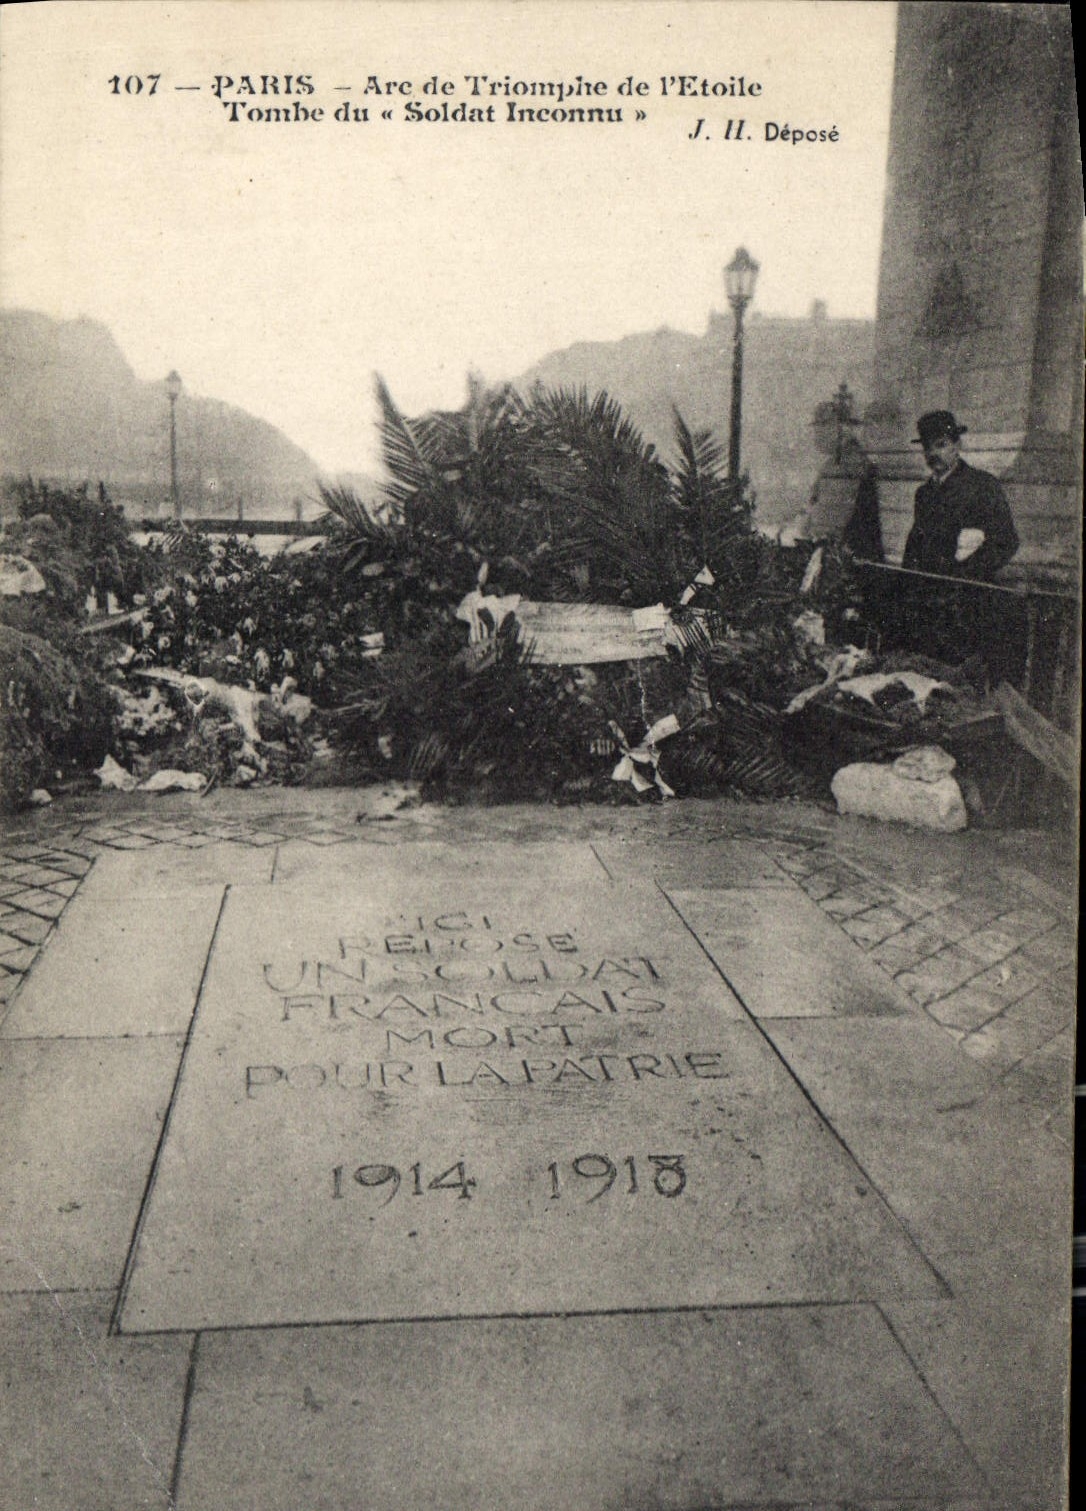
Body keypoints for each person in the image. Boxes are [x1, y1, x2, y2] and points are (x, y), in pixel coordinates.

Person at [902, 411, 1019, 580]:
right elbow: (914, 545)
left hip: (967, 592)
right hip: (928, 593)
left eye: (941, 445)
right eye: (928, 447)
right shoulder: (924, 493)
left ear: (958, 445)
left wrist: (963, 573)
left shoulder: (982, 485)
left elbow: (1006, 542)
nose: (933, 454)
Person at [798, 388, 885, 562]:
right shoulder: (831, 466)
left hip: (848, 560)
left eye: (823, 426)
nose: (817, 434)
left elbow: (834, 522)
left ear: (841, 428)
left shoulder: (852, 465)